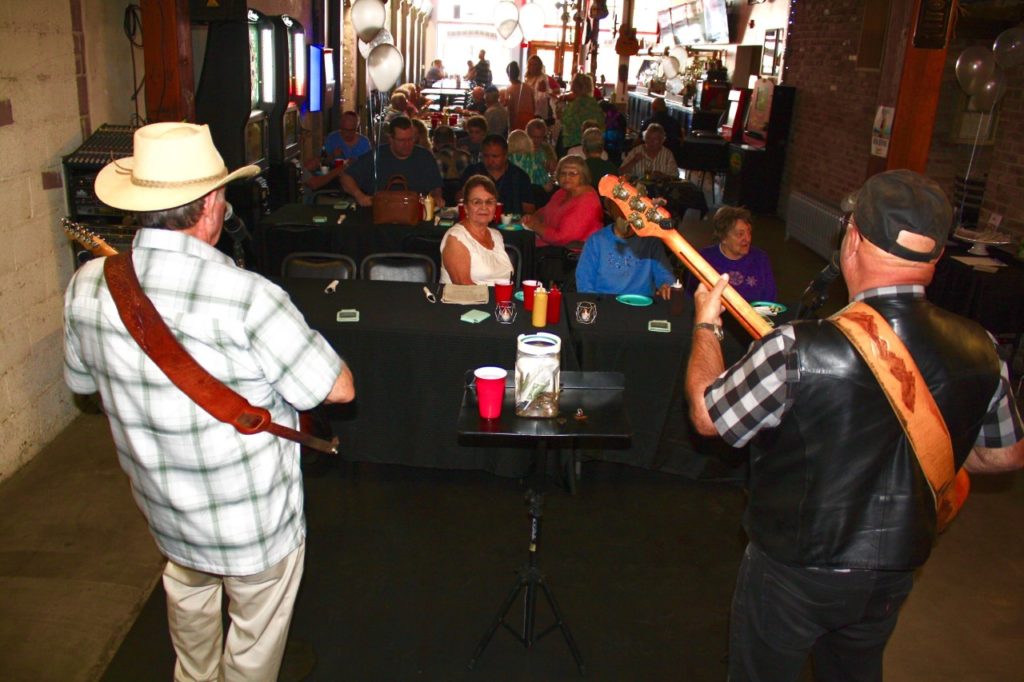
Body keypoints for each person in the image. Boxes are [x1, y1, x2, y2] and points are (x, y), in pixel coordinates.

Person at [685, 169, 1024, 682]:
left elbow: (709, 417)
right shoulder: (985, 348)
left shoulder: (798, 345)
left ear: (853, 238)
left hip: (794, 568)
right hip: (894, 570)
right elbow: (1005, 455)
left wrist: (707, 324)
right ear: (933, 260)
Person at [63, 122, 356, 682]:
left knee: (189, 599)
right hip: (251, 524)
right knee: (254, 635)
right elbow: (336, 389)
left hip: (165, 508)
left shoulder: (88, 285)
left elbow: (83, 386)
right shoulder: (250, 297)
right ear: (212, 205)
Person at [575, 200, 675, 297]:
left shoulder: (650, 241)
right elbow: (584, 282)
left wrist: (666, 285)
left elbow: (664, 273)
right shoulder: (596, 241)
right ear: (611, 212)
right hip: (606, 305)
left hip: (642, 305)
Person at [341, 116, 444, 207]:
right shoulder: (377, 156)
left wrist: (436, 197)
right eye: (401, 140)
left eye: (410, 139)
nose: (407, 144)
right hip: (381, 214)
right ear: (391, 139)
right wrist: (359, 196)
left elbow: (435, 186)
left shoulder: (424, 157)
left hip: (415, 214)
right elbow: (346, 177)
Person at [441, 174, 515, 285]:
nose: (484, 207)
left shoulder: (496, 235)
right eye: (477, 202)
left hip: (497, 300)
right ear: (465, 207)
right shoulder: (456, 239)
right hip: (465, 301)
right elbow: (464, 287)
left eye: (489, 202)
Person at [693, 206, 776, 302]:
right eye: (740, 234)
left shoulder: (760, 258)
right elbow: (693, 297)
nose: (747, 239)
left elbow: (770, 298)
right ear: (723, 237)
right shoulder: (704, 258)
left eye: (749, 232)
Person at [521, 155, 603, 247]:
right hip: (548, 244)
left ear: (583, 175)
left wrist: (535, 226)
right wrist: (531, 218)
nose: (567, 178)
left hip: (569, 254)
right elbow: (545, 212)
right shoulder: (562, 192)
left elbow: (562, 238)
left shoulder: (587, 202)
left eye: (573, 173)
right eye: (563, 173)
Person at [459, 134, 535, 215]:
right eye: (486, 156)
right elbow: (459, 199)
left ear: (505, 156)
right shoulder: (472, 171)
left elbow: (529, 208)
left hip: (510, 224)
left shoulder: (519, 176)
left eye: (495, 156)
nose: (490, 160)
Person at [559, 73, 604, 152]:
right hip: (592, 143)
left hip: (573, 143)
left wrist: (560, 112)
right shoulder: (593, 103)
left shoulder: (576, 104)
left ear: (576, 86)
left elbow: (566, 121)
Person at [502, 61, 536, 132]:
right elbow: (534, 105)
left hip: (517, 120)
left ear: (509, 75)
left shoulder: (509, 89)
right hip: (530, 118)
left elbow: (509, 107)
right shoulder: (528, 87)